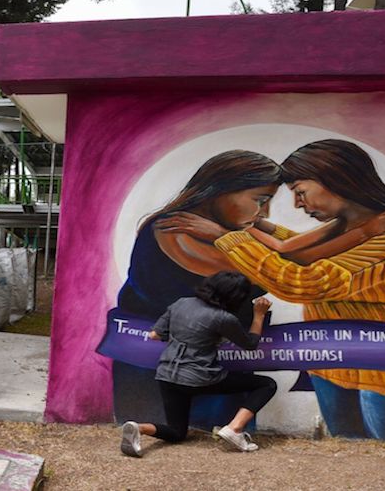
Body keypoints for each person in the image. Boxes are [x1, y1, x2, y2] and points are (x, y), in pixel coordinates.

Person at [173, 140, 385, 442]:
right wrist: (250, 226)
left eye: (300, 192)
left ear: (337, 179)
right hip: (335, 367)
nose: (297, 204)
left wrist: (225, 236)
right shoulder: (352, 227)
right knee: (346, 450)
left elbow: (304, 281)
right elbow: (297, 249)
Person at [107, 150, 283, 429]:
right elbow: (269, 275)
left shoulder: (229, 234)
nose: (265, 213)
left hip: (206, 363)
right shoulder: (174, 229)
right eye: (260, 200)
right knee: (178, 429)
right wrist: (231, 239)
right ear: (221, 190)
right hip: (159, 367)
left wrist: (228, 236)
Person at [119, 272, 277, 456]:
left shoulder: (181, 303)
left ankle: (139, 427)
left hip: (167, 376)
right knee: (266, 384)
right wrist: (259, 315)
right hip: (199, 378)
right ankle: (234, 428)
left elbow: (154, 335)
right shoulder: (223, 318)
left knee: (177, 433)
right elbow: (250, 344)